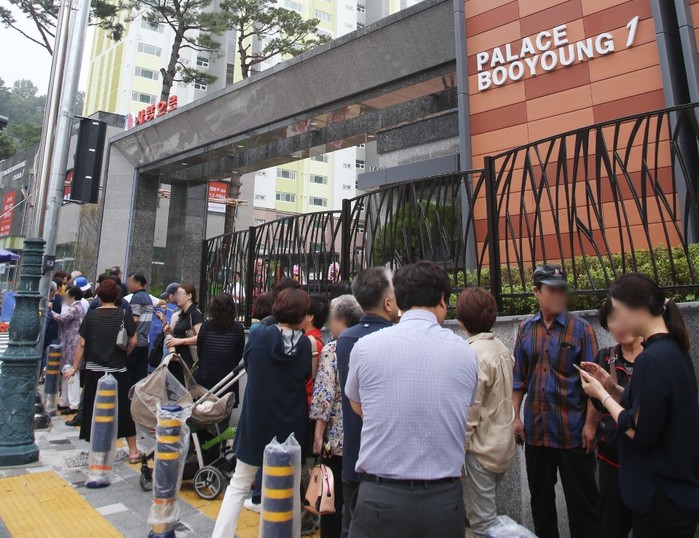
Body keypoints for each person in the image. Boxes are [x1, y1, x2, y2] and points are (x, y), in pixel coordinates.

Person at [345, 261, 478, 538]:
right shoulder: (465, 353)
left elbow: (357, 404)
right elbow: (462, 407)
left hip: (380, 498)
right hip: (443, 501)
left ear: (398, 300)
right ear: (442, 300)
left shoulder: (365, 348)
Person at [580, 274, 699, 538]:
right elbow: (653, 407)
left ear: (637, 307)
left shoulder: (651, 359)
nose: (618, 321)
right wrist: (612, 387)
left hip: (661, 497)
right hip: (676, 493)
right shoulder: (674, 349)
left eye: (618, 311)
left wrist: (602, 394)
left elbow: (638, 429)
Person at [212, 288, 312, 538]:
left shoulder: (257, 336)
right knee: (289, 489)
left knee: (239, 484)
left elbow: (249, 364)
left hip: (256, 421)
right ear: (302, 315)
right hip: (290, 423)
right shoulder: (305, 345)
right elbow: (305, 375)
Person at [513, 264, 600, 538]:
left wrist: (590, 425)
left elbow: (594, 385)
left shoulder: (581, 330)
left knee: (583, 505)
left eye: (562, 290)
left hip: (572, 432)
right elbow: (519, 379)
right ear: (536, 292)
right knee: (541, 504)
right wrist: (515, 417)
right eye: (552, 290)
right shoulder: (525, 329)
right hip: (537, 433)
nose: (558, 295)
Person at [336, 267, 400, 536]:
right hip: (389, 458)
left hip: (353, 449)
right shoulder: (396, 339)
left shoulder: (345, 339)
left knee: (350, 524)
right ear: (387, 302)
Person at [456, 287, 515, 537]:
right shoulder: (500, 347)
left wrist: (458, 451)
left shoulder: (472, 354)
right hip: (502, 445)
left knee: (482, 525)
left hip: (480, 451)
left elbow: (470, 411)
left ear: (461, 320)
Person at [63, 279, 141, 464]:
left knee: (93, 408)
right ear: (116, 296)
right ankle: (133, 451)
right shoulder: (124, 314)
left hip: (94, 370)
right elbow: (133, 341)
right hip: (118, 369)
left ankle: (97, 449)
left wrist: (74, 367)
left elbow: (82, 344)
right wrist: (124, 355)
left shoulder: (91, 316)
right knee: (123, 409)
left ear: (99, 296)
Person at [588, 300, 643, 538]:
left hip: (645, 462)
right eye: (612, 320)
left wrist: (608, 391)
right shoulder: (606, 357)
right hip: (612, 460)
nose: (619, 325)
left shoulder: (653, 358)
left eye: (622, 318)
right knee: (611, 527)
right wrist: (590, 425)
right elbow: (597, 405)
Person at [310, 295, 364, 538]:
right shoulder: (370, 342)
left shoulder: (332, 349)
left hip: (335, 437)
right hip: (364, 432)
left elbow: (324, 394)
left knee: (331, 495)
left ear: (339, 319)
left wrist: (318, 435)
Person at [196, 294, 245, 403]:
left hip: (206, 374)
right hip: (228, 376)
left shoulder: (205, 327)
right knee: (226, 406)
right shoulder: (238, 329)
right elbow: (239, 352)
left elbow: (200, 350)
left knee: (204, 408)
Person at [52, 286, 86, 414]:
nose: (65, 298)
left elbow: (63, 318)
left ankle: (73, 404)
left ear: (73, 297)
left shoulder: (75, 308)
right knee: (67, 371)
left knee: (72, 371)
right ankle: (65, 401)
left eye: (67, 296)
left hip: (73, 343)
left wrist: (50, 312)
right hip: (70, 342)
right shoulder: (78, 307)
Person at [166, 283, 204, 368]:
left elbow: (201, 337)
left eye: (180, 294)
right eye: (176, 294)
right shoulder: (181, 314)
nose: (177, 297)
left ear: (189, 296)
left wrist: (181, 341)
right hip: (178, 359)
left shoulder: (195, 314)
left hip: (189, 361)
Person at [126, 272, 153, 386]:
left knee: (130, 376)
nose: (127, 284)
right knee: (140, 376)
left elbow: (134, 319)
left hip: (135, 340)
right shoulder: (147, 297)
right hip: (144, 341)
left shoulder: (136, 298)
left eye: (130, 282)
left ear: (138, 283)